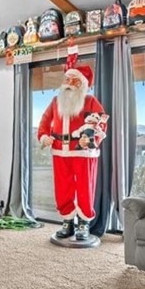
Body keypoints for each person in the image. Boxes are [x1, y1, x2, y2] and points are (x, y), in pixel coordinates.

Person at [37, 60, 108, 240]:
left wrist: (90, 140)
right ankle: (67, 221)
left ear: (82, 84)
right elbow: (44, 121)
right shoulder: (55, 102)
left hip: (83, 152)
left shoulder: (90, 101)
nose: (68, 84)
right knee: (62, 187)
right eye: (66, 79)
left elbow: (101, 124)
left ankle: (84, 223)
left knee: (85, 187)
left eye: (73, 80)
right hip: (59, 151)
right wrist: (44, 136)